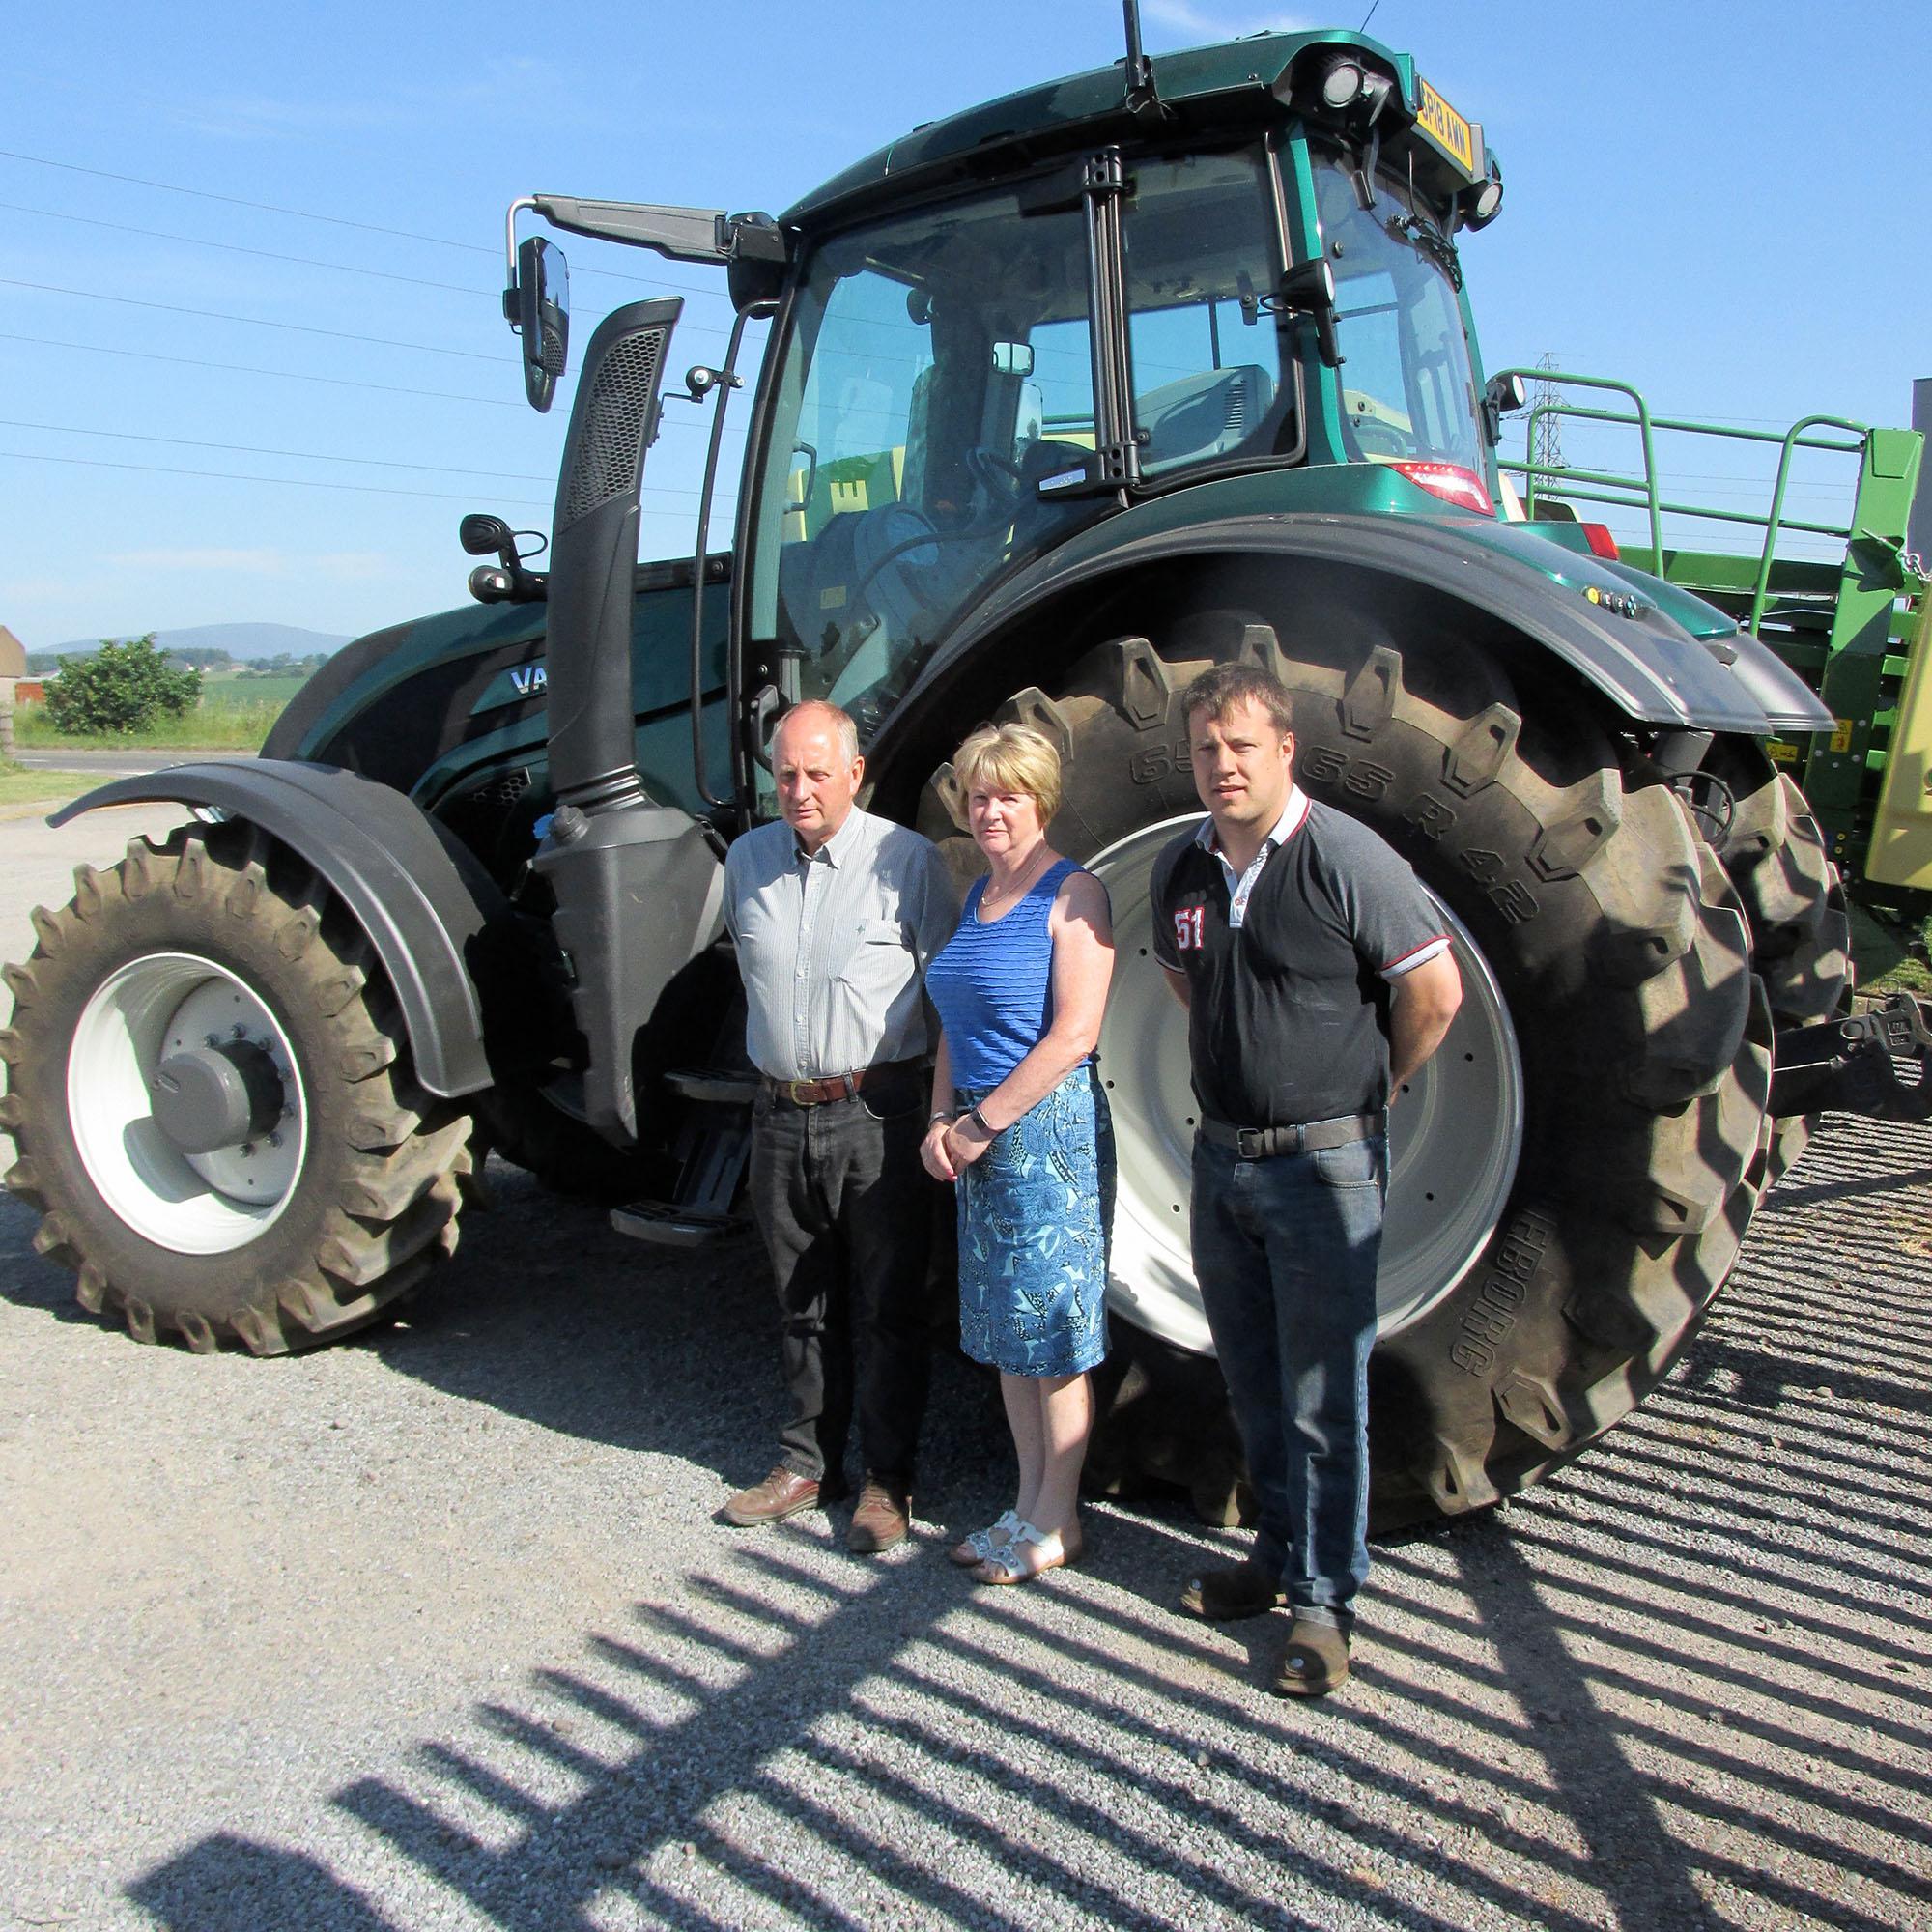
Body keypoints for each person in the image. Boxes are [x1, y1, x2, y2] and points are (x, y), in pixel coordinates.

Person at [1151, 663, 1463, 1695]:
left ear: (1285, 750)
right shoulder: (1181, 868)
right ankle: (1273, 1555)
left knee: (1325, 1395)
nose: (1221, 764)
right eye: (1205, 747)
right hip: (1221, 1158)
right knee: (1249, 1377)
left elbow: (1432, 988)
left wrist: (1369, 1095)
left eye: (1240, 745)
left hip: (1322, 1166)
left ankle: (1325, 1602)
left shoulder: (1342, 856)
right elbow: (1182, 979)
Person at [722, 699, 958, 1553]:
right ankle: (806, 1463)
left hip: (877, 1110)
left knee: (892, 1305)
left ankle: (888, 1480)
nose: (800, 788)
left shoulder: (909, 860)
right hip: (781, 1111)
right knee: (800, 1303)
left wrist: (941, 1112)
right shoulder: (746, 861)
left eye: (818, 772)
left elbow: (947, 994)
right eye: (786, 772)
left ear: (854, 773)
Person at [921, 722, 1116, 1585]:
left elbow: (1075, 1033)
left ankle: (1057, 1518)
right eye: (977, 794)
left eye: (1007, 795)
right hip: (976, 1135)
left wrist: (979, 1126)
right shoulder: (980, 897)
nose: (989, 810)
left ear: (1041, 801)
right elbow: (952, 1027)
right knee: (1006, 1333)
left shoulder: (1075, 895)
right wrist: (938, 1121)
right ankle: (1027, 1499)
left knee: (1055, 1337)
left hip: (1042, 1137)